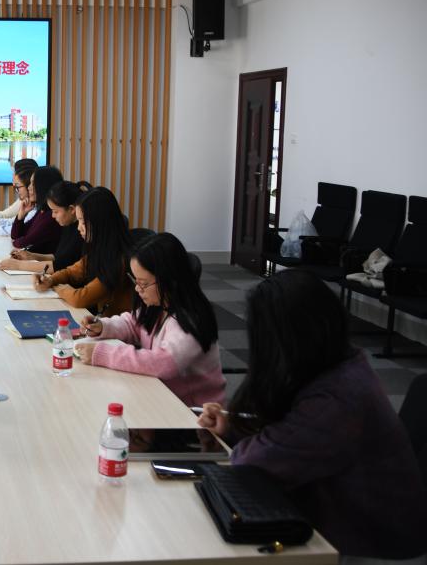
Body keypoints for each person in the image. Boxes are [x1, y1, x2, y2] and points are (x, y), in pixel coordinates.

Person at [197, 271, 427, 562]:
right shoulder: (335, 365)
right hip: (341, 515)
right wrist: (234, 426)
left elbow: (253, 465)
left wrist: (245, 436)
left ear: (288, 339)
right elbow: (288, 432)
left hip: (370, 545)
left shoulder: (338, 399)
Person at [74, 232, 225, 408]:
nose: (137, 289)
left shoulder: (190, 320)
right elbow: (132, 323)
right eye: (135, 280)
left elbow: (164, 362)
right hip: (162, 395)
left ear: (169, 279)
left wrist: (103, 354)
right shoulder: (158, 304)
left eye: (144, 283)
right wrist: (103, 326)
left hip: (193, 411)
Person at [34, 186, 134, 314]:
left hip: (115, 325)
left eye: (83, 222)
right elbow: (72, 272)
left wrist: (56, 287)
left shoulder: (119, 259)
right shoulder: (100, 248)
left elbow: (80, 299)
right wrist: (50, 280)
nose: (78, 228)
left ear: (100, 222)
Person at [0, 180, 91, 273]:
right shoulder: (68, 224)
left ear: (71, 209)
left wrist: (18, 265)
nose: (53, 216)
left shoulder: (82, 231)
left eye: (55, 211)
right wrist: (31, 256)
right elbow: (58, 257)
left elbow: (59, 265)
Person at [10, 165, 64, 254]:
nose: (29, 187)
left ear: (43, 186)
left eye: (33, 184)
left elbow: (22, 243)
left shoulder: (51, 216)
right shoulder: (43, 210)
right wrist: (21, 216)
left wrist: (19, 240)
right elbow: (15, 235)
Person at [0, 158, 39, 234]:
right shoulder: (29, 203)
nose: (13, 179)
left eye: (17, 186)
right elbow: (13, 222)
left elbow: (15, 229)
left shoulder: (36, 209)